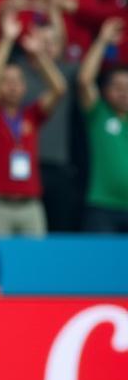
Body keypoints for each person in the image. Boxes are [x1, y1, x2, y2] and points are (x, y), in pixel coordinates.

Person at [0, 11, 67, 237]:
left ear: (25, 87)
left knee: (37, 262)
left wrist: (39, 56)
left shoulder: (31, 114)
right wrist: (7, 40)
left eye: (18, 81)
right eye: (6, 81)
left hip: (31, 205)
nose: (12, 86)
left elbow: (59, 88)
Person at [77, 18, 128, 233]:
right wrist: (102, 41)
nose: (123, 92)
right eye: (117, 87)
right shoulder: (99, 115)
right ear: (106, 91)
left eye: (127, 87)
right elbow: (84, 80)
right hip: (102, 207)